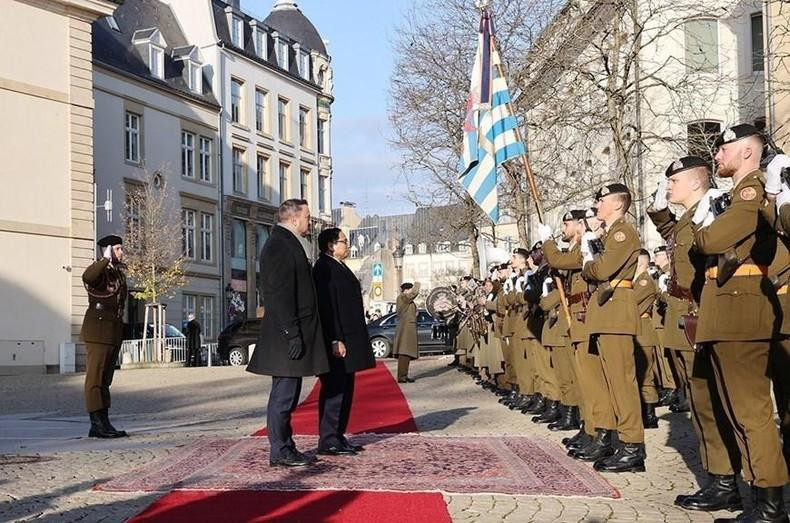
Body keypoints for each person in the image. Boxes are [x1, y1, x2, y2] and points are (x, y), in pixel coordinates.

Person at [692, 124, 787, 522]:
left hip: (742, 314)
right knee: (738, 412)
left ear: (747, 152)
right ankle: (759, 495)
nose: (718, 156)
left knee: (751, 412)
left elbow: (712, 242)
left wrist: (704, 228)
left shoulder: (751, 190)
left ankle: (770, 505)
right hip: (727, 312)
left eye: (724, 149)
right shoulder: (735, 195)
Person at [648, 155, 744, 512]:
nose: (668, 186)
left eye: (673, 181)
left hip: (706, 314)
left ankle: (727, 480)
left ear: (694, 182)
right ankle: (721, 478)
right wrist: (659, 211)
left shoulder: (714, 212)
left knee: (714, 403)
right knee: (703, 403)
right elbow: (675, 235)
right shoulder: (691, 217)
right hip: (693, 316)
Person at [246, 199, 330, 468]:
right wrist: (291, 332)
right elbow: (279, 294)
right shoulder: (280, 244)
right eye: (307, 216)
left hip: (290, 332)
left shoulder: (287, 241)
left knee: (288, 394)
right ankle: (280, 449)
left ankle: (285, 445)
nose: (310, 221)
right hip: (285, 336)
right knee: (283, 395)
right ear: (294, 219)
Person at [581, 183, 645, 473]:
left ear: (618, 204)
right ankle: (616, 439)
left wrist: (587, 262)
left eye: (601, 200)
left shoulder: (622, 232)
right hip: (606, 312)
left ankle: (632, 446)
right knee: (608, 383)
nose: (597, 205)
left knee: (622, 383)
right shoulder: (609, 233)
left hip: (617, 312)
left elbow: (602, 270)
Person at [312, 228, 376, 456]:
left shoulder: (338, 266)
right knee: (335, 389)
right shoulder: (324, 268)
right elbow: (328, 308)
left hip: (350, 336)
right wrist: (335, 338)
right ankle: (328, 439)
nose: (347, 245)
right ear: (331, 245)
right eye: (343, 242)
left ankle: (337, 436)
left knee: (345, 389)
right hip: (338, 340)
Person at [81, 234, 128, 439]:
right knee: (95, 378)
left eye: (120, 248)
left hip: (112, 331)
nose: (121, 252)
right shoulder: (99, 271)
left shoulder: (117, 273)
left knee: (105, 379)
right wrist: (105, 259)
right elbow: (88, 277)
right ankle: (96, 423)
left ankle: (104, 422)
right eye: (117, 248)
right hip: (98, 330)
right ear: (107, 250)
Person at [632, 249, 660, 429]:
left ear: (641, 263)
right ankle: (643, 411)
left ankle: (650, 415)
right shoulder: (636, 281)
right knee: (638, 373)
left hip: (643, 331)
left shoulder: (644, 281)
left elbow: (630, 302)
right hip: (637, 330)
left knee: (645, 375)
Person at [393, 281, 421, 383]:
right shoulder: (403, 297)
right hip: (405, 330)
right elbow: (414, 294)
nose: (411, 292)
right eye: (410, 289)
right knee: (404, 353)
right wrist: (417, 283)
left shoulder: (405, 299)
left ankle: (404, 375)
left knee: (406, 354)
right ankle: (401, 376)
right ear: (407, 290)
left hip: (407, 329)